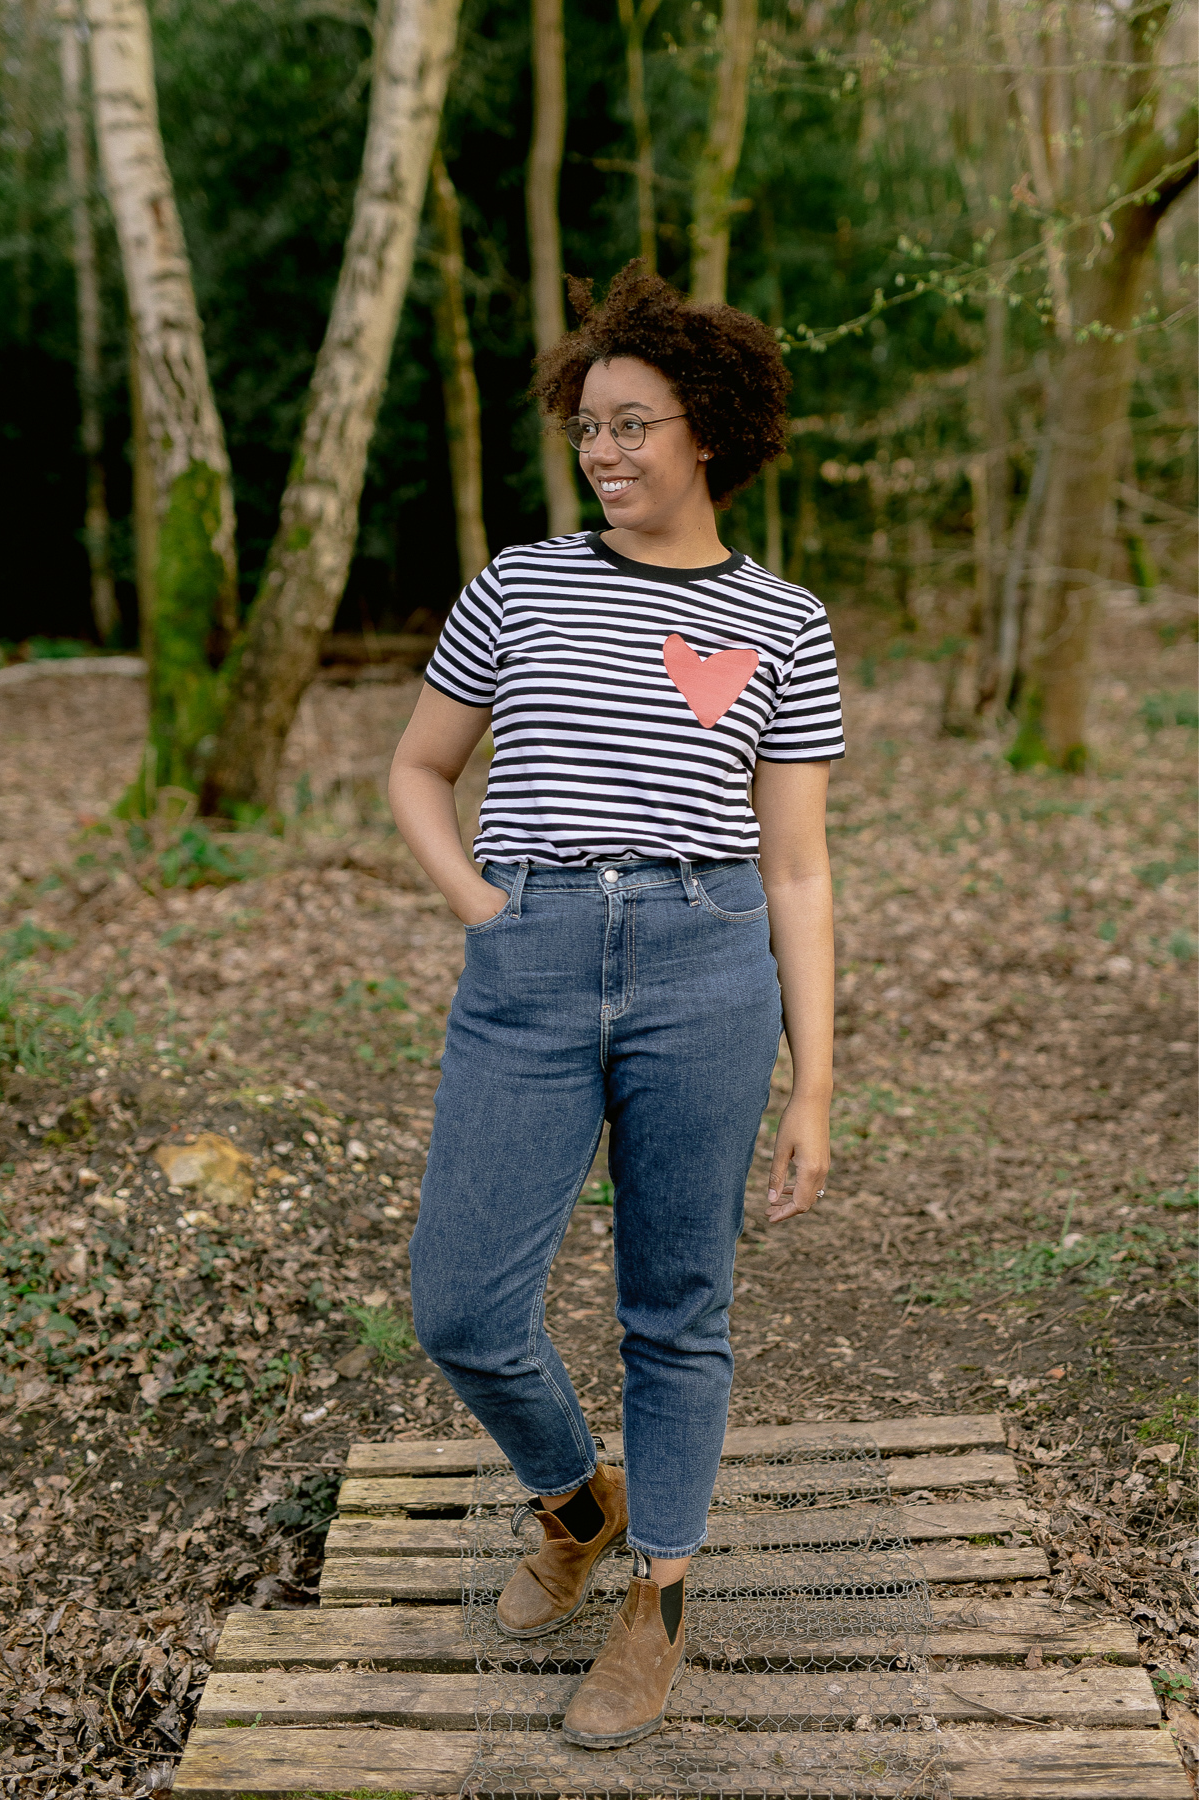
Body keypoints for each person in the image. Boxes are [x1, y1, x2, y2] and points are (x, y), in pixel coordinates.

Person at [388, 261, 842, 1751]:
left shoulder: (785, 621)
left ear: (708, 428)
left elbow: (798, 867)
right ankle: (578, 1500)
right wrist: (485, 908)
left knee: (677, 1307)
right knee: (462, 1304)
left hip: (708, 967)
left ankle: (659, 1598)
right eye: (588, 426)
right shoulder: (519, 584)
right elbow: (417, 769)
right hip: (528, 960)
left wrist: (816, 1083)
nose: (605, 450)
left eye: (633, 424)